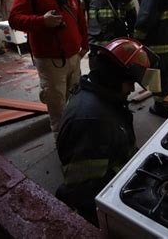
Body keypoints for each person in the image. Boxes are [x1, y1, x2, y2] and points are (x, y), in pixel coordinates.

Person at [55, 38, 159, 225]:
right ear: (115, 79)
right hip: (102, 205)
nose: (132, 89)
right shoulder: (93, 122)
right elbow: (83, 190)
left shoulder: (102, 96)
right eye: (130, 83)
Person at [9, 0, 88, 133]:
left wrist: (84, 45)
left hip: (74, 59)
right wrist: (41, 22)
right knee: (58, 108)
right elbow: (14, 19)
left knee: (75, 102)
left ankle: (76, 136)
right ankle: (65, 151)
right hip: (50, 63)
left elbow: (80, 22)